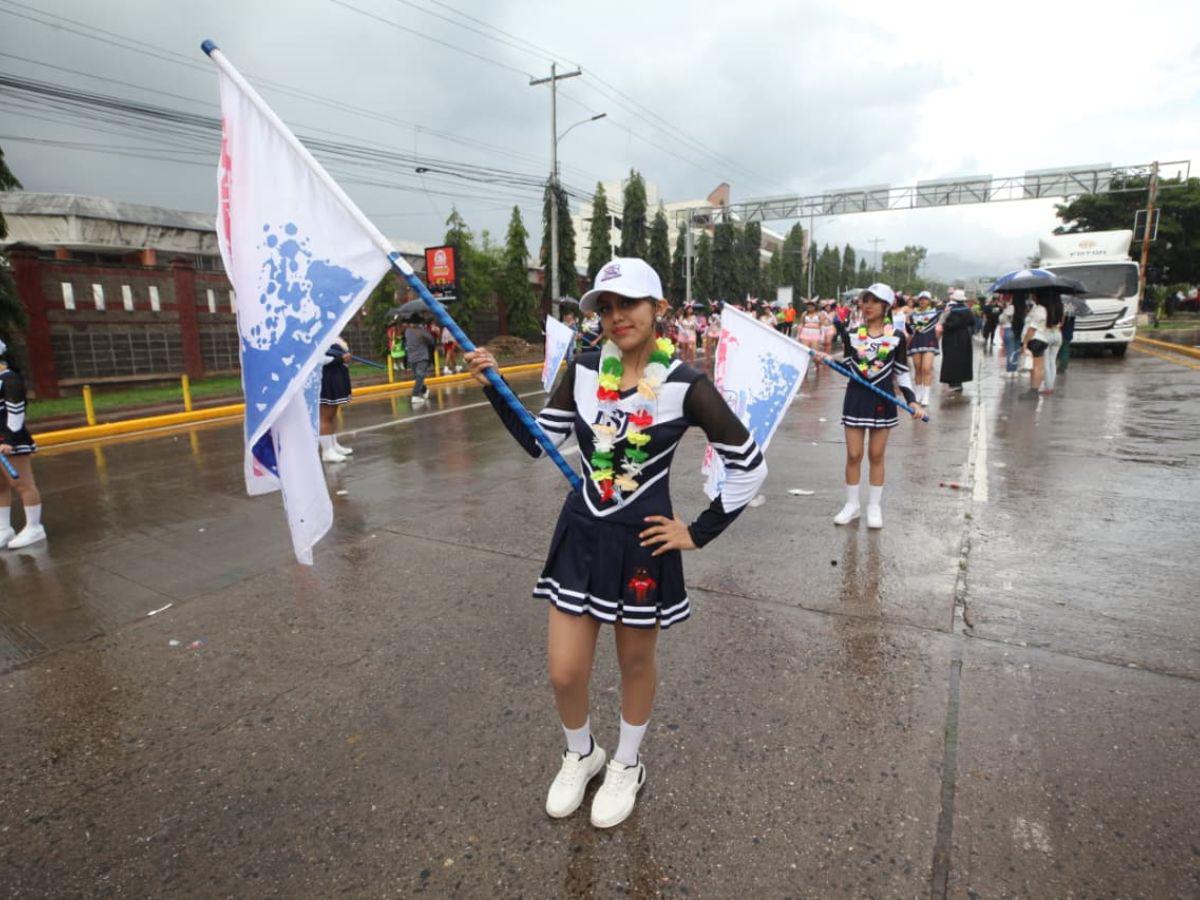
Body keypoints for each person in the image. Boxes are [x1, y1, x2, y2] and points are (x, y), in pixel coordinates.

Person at [463, 258, 767, 829]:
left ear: (658, 309)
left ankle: (626, 762)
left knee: (633, 660)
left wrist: (696, 532)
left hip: (643, 545)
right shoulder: (580, 370)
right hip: (581, 533)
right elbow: (539, 442)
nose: (616, 316)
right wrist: (494, 388)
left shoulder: (685, 384)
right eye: (605, 306)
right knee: (565, 672)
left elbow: (749, 466)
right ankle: (582, 753)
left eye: (628, 303)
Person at [824, 283, 923, 530]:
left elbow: (901, 373)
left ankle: (874, 506)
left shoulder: (898, 337)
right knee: (854, 454)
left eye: (874, 301)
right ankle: (852, 505)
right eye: (864, 300)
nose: (867, 305)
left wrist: (912, 400)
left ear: (886, 306)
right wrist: (829, 360)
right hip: (856, 400)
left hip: (883, 401)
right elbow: (848, 366)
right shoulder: (852, 334)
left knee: (876, 455)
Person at [0, 340, 47, 549]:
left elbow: (16, 411)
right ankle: (3, 528)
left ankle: (34, 527)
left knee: (23, 483)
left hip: (11, 441)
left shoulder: (10, 380)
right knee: (0, 487)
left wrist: (9, 440)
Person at [319, 336, 354, 463]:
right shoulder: (318, 338)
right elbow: (318, 359)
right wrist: (339, 359)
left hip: (336, 377)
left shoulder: (334, 337)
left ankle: (333, 445)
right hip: (327, 379)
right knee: (325, 416)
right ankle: (327, 451)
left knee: (332, 415)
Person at [938, 289, 974, 394]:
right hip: (965, 337)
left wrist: (944, 325)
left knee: (952, 360)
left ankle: (954, 383)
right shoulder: (967, 309)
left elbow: (951, 324)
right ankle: (959, 382)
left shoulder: (953, 310)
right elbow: (972, 322)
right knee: (962, 360)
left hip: (953, 338)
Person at [906, 291, 940, 404]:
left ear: (929, 301)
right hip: (917, 341)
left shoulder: (935, 312)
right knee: (918, 368)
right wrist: (908, 321)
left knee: (926, 368)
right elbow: (911, 329)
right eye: (921, 299)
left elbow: (927, 326)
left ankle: (926, 394)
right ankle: (918, 392)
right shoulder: (913, 314)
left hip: (929, 341)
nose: (922, 301)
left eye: (925, 299)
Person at [404, 320, 435, 407]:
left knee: (418, 376)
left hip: (413, 357)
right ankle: (415, 395)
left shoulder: (407, 331)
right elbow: (431, 341)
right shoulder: (421, 331)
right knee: (420, 376)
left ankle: (424, 391)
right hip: (421, 356)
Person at [998, 295, 1020, 377]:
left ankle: (1009, 370)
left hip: (1008, 329)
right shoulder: (1021, 307)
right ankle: (1014, 370)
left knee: (1010, 351)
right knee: (1015, 350)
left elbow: (1002, 320)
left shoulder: (1011, 307)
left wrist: (1003, 311)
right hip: (1018, 330)